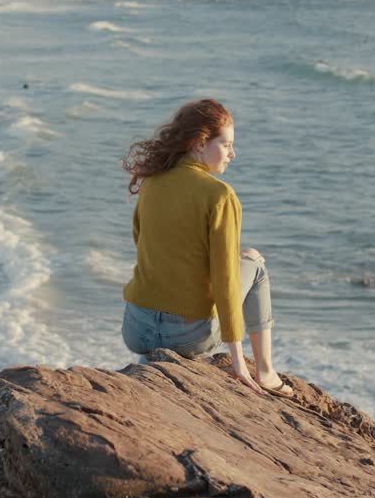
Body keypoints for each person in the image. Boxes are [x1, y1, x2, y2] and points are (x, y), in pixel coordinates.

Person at [119, 98, 291, 396]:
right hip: (186, 337)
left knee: (243, 257)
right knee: (257, 269)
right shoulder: (220, 195)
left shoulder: (152, 182)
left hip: (137, 329)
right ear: (199, 144)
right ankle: (265, 371)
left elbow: (146, 244)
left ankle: (150, 367)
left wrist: (235, 257)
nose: (233, 154)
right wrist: (238, 361)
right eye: (226, 145)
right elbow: (225, 282)